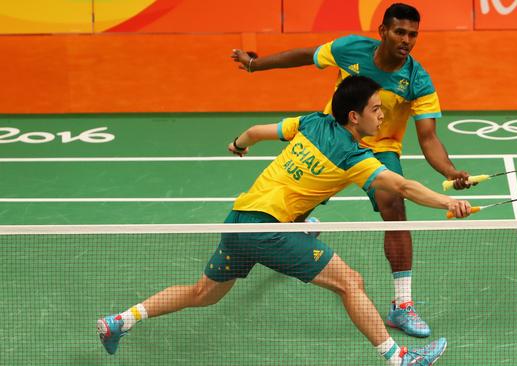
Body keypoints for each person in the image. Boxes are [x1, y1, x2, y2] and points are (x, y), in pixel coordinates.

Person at [97, 76, 471, 365]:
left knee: (203, 293)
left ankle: (121, 320)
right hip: (270, 230)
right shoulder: (352, 156)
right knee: (350, 282)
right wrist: (447, 203)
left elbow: (258, 132)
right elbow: (402, 186)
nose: (382, 114)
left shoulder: (312, 122)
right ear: (354, 116)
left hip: (238, 219)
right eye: (376, 109)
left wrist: (238, 144)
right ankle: (399, 358)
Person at [231, 3, 474, 338]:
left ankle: (402, 305)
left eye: (413, 34)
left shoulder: (417, 80)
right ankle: (298, 229)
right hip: (333, 136)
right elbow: (306, 55)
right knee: (296, 199)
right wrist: (255, 65)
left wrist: (449, 171)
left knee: (395, 208)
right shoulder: (350, 48)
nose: (406, 40)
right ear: (383, 32)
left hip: (379, 149)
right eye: (400, 32)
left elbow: (428, 136)